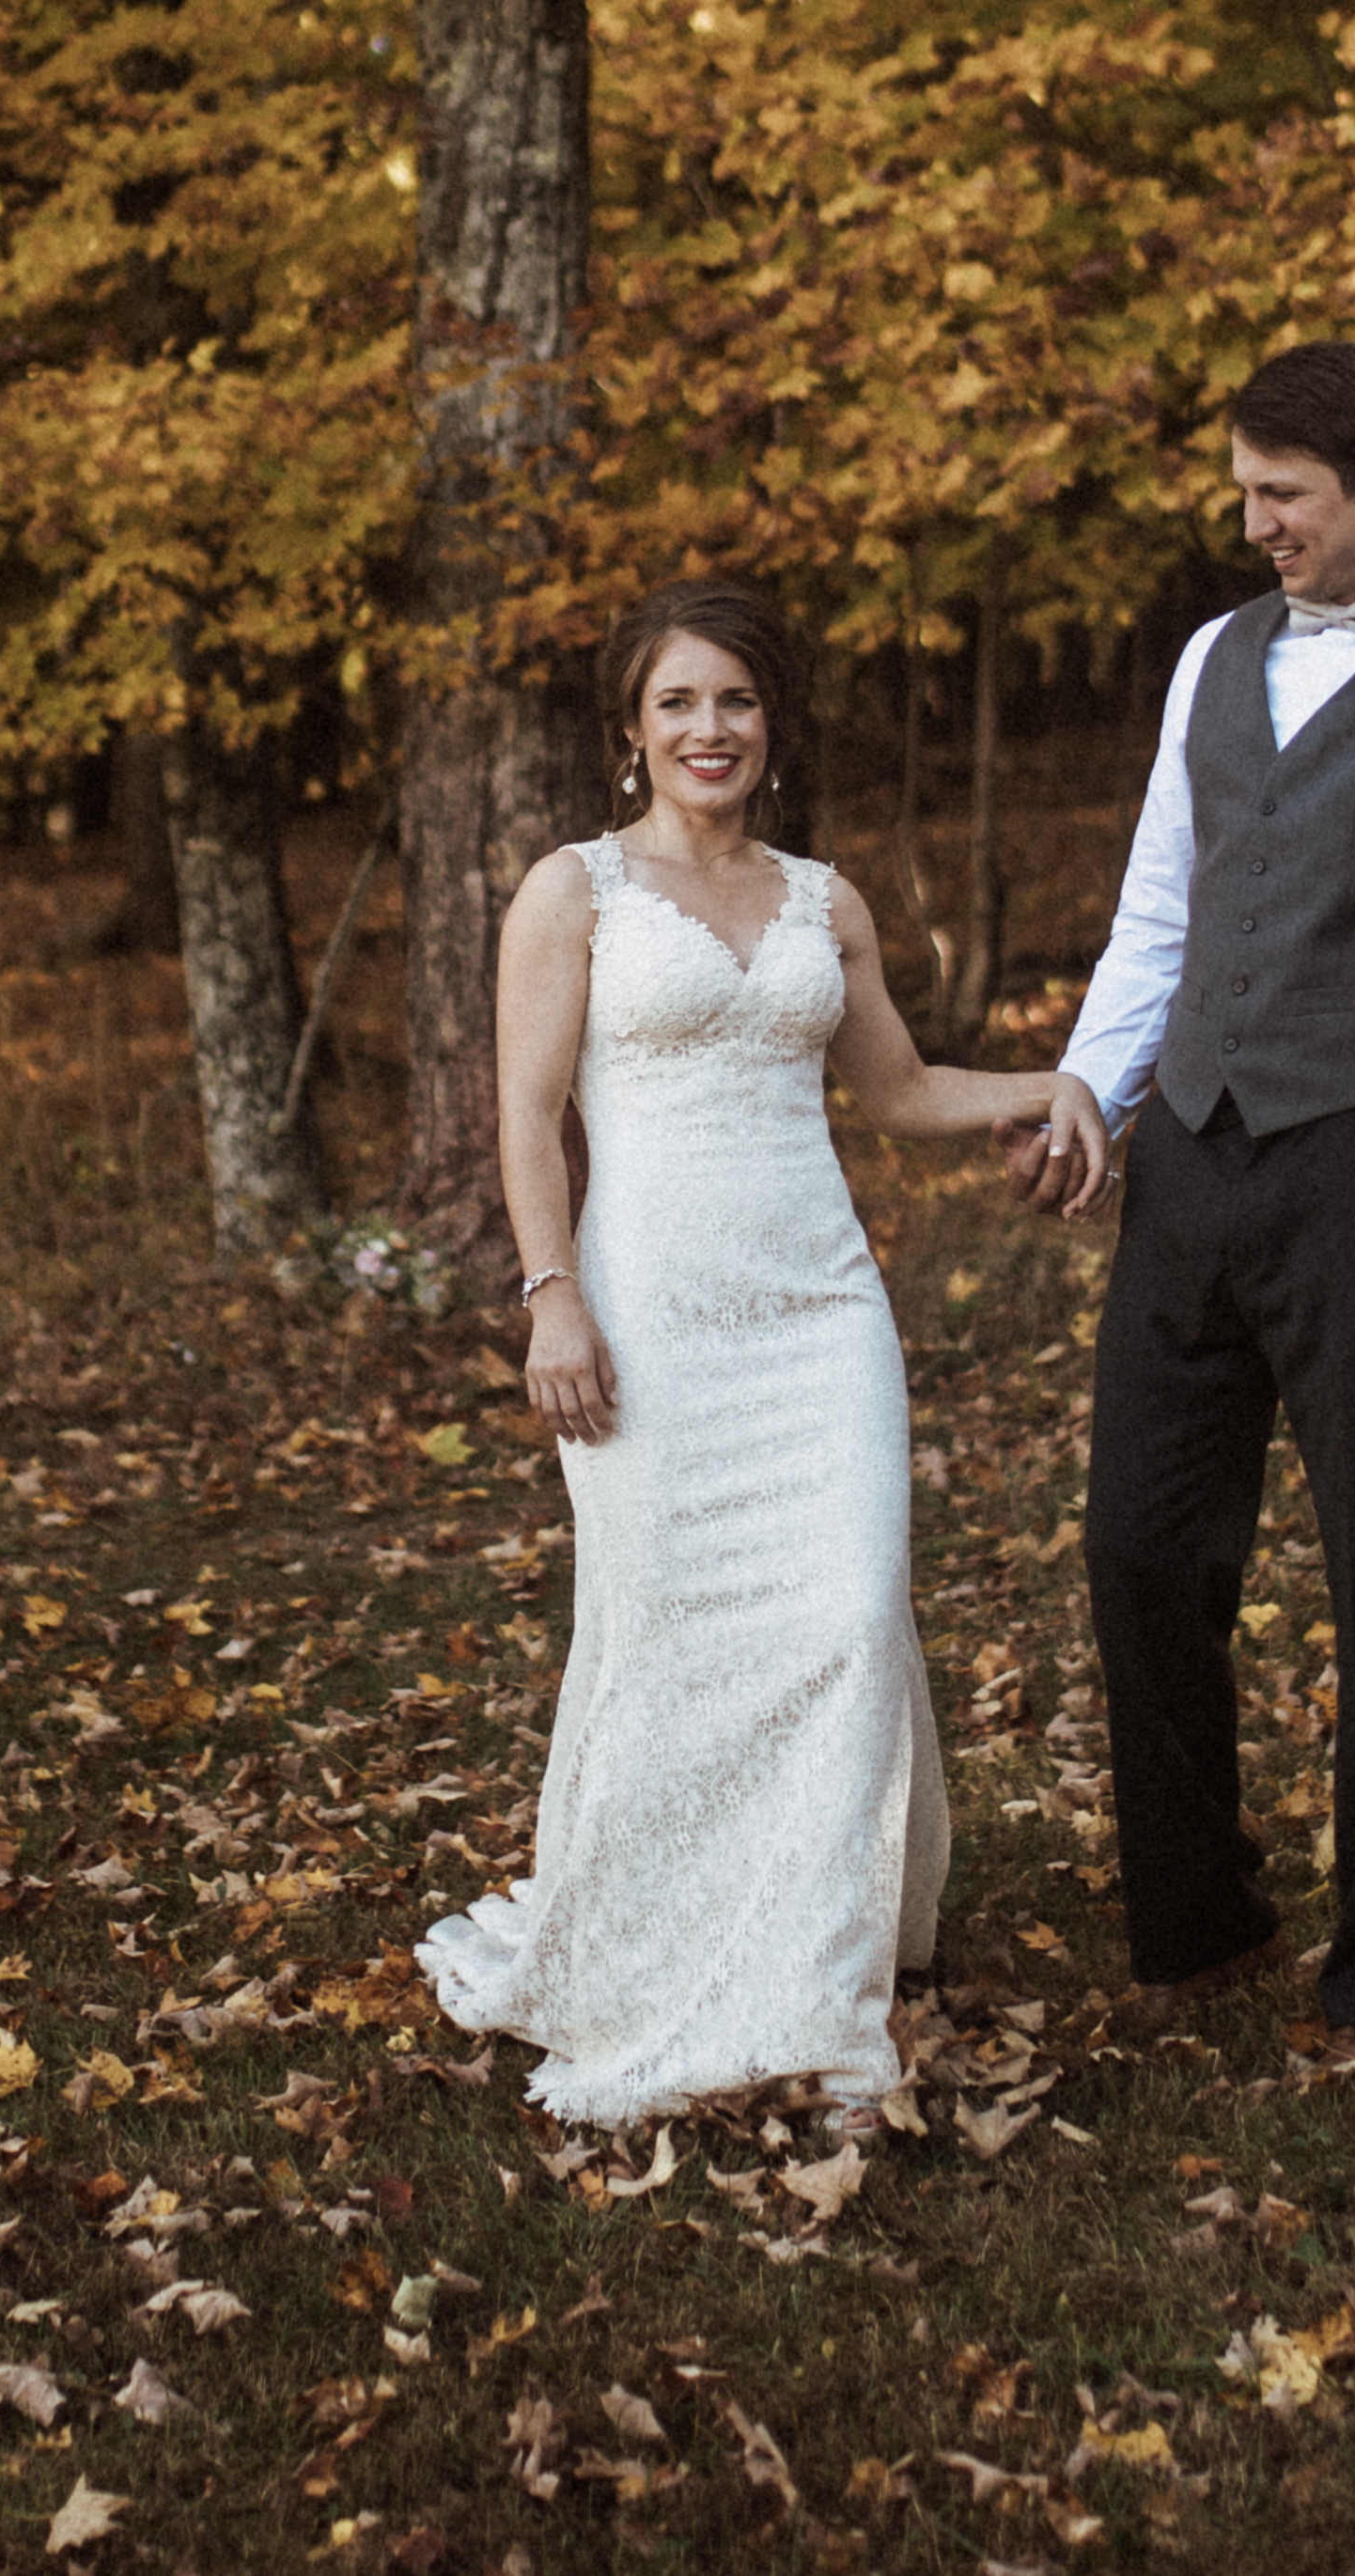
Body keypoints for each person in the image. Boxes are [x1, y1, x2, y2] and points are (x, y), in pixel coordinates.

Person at [416, 579, 1069, 2125]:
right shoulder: (572, 892)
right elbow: (524, 1113)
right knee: (663, 1630)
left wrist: (1066, 1082)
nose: (710, 729)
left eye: (737, 701)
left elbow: (899, 1092)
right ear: (630, 733)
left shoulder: (822, 900)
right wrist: (549, 1291)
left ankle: (812, 1976)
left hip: (821, 1316)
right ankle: (659, 1948)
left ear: (773, 725)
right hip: (647, 1309)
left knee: (849, 1617)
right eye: (678, 704)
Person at [1005, 343, 1355, 2066]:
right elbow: (1158, 909)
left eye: (1289, 498)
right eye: (1245, 492)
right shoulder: (1214, 653)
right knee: (1138, 1546)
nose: (1255, 527)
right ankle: (1201, 1918)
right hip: (1194, 1151)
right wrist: (1099, 1091)